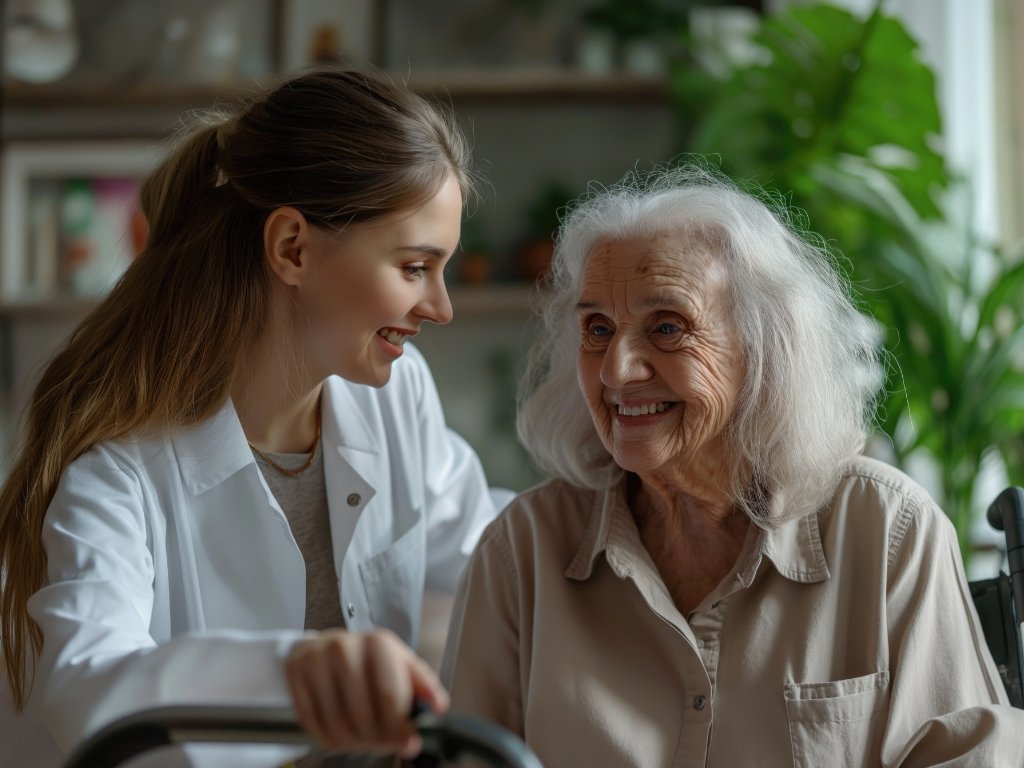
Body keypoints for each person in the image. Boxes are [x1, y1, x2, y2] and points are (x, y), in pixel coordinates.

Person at [0, 67, 507, 767]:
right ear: (292, 248)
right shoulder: (121, 473)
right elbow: (87, 685)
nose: (441, 307)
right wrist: (293, 674)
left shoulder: (397, 396)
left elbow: (487, 550)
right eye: (415, 267)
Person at [441, 164, 1024, 766]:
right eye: (597, 329)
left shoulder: (887, 531)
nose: (616, 371)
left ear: (764, 348)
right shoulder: (522, 551)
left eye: (666, 327)